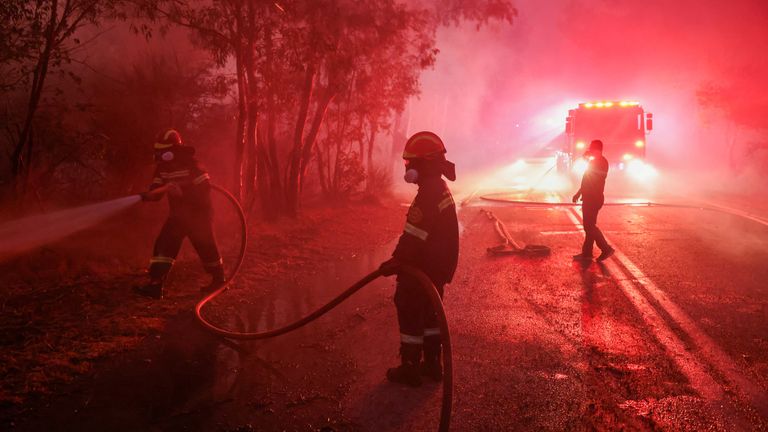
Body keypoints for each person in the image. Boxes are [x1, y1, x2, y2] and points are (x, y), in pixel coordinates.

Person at [379, 131, 459, 387]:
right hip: (437, 266)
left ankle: (410, 368)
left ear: (423, 163)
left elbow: (414, 236)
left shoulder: (428, 194)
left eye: (410, 162)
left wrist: (397, 261)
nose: (407, 167)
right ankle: (433, 365)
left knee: (409, 306)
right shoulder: (437, 187)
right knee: (430, 314)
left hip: (423, 267)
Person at [134, 128, 225, 299]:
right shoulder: (162, 169)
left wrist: (183, 193)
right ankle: (155, 285)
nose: (161, 154)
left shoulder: (193, 164)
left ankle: (219, 280)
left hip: (199, 214)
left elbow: (205, 189)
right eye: (158, 150)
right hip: (178, 216)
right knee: (163, 245)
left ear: (173, 150)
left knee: (206, 246)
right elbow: (157, 192)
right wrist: (148, 195)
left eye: (164, 150)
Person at [572, 139, 614, 262]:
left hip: (593, 198)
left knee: (589, 226)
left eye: (591, 148)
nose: (589, 150)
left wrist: (587, 160)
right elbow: (587, 180)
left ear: (596, 149)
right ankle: (587, 253)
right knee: (588, 226)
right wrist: (579, 193)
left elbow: (591, 180)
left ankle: (605, 248)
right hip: (590, 197)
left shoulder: (600, 162)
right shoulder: (596, 161)